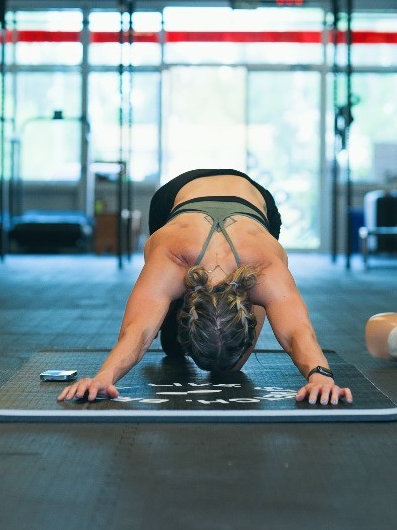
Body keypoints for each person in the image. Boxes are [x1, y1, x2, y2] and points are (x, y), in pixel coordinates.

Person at [58, 169, 354, 406]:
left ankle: (179, 311)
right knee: (172, 346)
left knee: (229, 367)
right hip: (178, 196)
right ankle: (171, 313)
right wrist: (104, 376)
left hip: (253, 200)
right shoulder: (170, 258)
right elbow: (137, 332)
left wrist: (320, 376)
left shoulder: (265, 266)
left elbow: (296, 333)